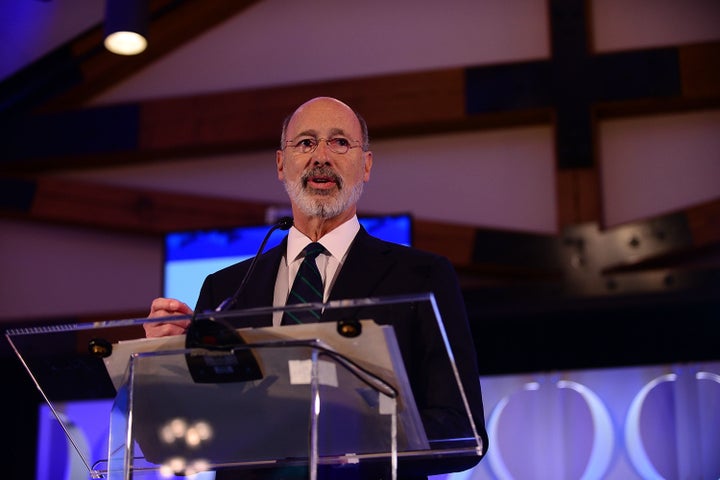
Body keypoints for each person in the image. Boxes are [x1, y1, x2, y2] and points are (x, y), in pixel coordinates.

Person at [145, 96, 488, 478]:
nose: (321, 157)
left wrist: (362, 431)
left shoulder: (421, 277)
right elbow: (178, 439)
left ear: (366, 165)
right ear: (281, 164)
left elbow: (462, 431)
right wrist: (161, 359)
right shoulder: (224, 291)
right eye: (306, 143)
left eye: (339, 142)